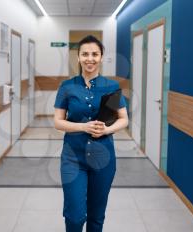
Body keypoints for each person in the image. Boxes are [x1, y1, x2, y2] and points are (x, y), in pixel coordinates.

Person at [54, 35, 129, 232]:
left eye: (95, 54)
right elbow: (58, 122)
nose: (90, 58)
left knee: (96, 217)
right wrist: (82, 127)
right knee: (75, 216)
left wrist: (107, 129)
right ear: (78, 57)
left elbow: (123, 119)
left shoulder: (111, 87)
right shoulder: (67, 87)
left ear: (101, 57)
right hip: (73, 158)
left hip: (103, 159)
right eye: (85, 54)